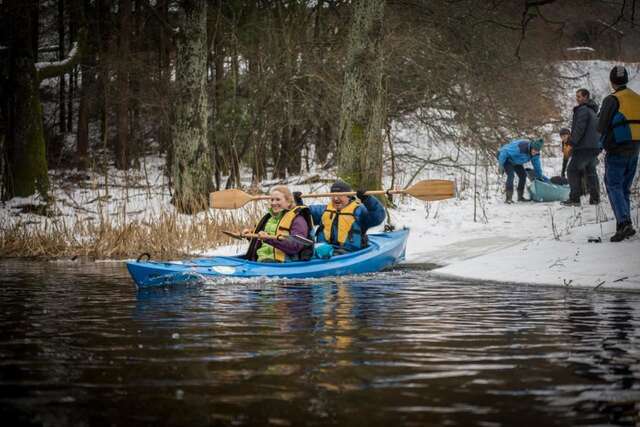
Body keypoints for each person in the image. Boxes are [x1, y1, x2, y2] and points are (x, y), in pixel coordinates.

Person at [597, 65, 640, 242]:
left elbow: (601, 126)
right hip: (635, 149)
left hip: (617, 150)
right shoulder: (637, 98)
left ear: (612, 81)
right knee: (624, 189)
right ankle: (623, 225)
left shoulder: (611, 100)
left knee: (613, 185)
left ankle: (624, 223)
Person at [296, 180, 385, 254]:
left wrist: (368, 199)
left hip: (350, 252)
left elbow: (378, 217)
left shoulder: (359, 211)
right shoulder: (323, 210)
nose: (336, 198)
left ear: (349, 196)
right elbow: (305, 215)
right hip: (324, 250)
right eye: (333, 195)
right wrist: (298, 203)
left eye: (340, 195)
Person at [243, 185, 314, 262]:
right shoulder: (268, 218)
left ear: (288, 202)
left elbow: (296, 246)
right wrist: (250, 235)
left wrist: (268, 238)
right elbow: (261, 242)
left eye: (278, 199)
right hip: (261, 260)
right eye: (272, 199)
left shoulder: (298, 220)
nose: (274, 203)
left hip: (282, 262)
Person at [561, 88, 601, 207]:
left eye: (579, 96)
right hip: (594, 146)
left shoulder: (583, 109)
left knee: (572, 170)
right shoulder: (593, 111)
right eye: (576, 96)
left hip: (584, 147)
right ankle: (595, 198)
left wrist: (571, 144)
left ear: (586, 97)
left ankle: (574, 199)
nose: (577, 98)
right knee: (590, 170)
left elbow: (579, 128)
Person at [497, 138, 548, 204]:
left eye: (537, 151)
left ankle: (520, 197)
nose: (535, 152)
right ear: (531, 147)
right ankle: (508, 199)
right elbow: (504, 152)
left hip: (515, 161)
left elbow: (537, 166)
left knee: (523, 175)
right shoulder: (521, 148)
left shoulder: (535, 155)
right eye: (534, 150)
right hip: (505, 157)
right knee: (511, 175)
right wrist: (501, 165)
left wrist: (539, 177)